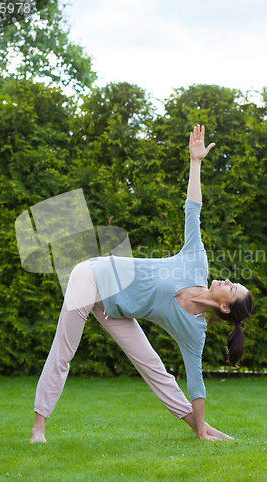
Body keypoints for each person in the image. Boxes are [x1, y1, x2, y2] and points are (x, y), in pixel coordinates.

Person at [30, 124, 253, 444]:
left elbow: (196, 382)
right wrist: (195, 163)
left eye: (232, 288)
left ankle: (202, 431)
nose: (228, 280)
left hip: (114, 309)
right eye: (233, 282)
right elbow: (193, 210)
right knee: (64, 350)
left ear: (223, 306)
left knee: (154, 367)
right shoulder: (196, 261)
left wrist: (202, 425)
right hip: (93, 276)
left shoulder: (195, 330)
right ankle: (39, 429)